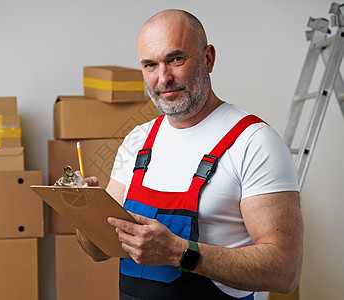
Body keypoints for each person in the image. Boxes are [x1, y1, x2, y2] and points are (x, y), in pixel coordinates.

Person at [76, 9, 303, 300]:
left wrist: (177, 252)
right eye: (150, 65)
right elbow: (98, 250)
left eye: (176, 59)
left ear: (208, 58)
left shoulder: (255, 142)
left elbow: (285, 271)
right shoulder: (138, 140)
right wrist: (83, 212)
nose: (163, 78)